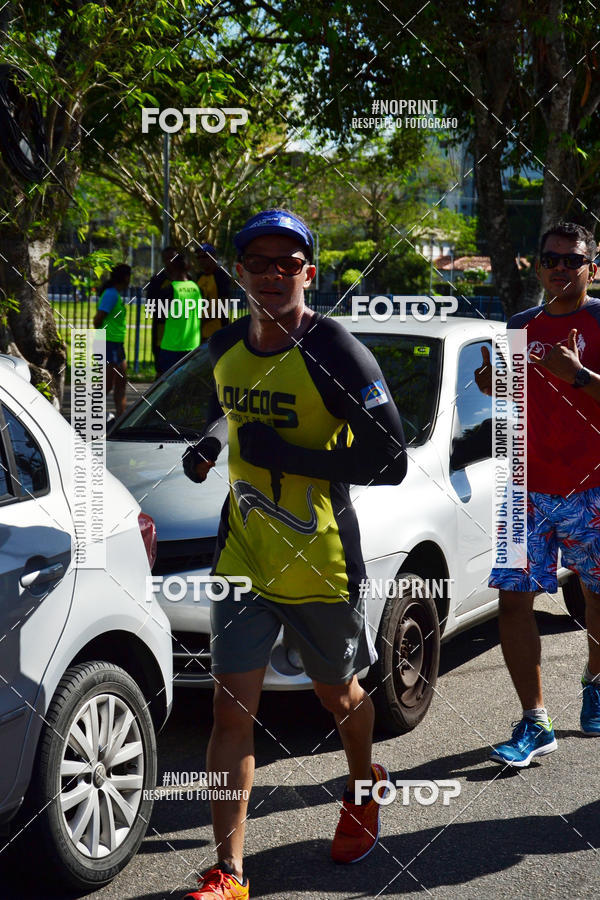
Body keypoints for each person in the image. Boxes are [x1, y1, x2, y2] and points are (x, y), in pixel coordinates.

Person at [180, 209, 407, 899]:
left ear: (309, 272)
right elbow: (236, 405)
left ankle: (364, 783)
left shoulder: (336, 350)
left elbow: (391, 456)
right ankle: (230, 871)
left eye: (289, 263)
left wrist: (295, 457)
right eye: (259, 262)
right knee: (230, 713)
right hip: (243, 557)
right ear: (240, 273)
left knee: (338, 695)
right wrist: (211, 444)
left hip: (322, 560)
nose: (274, 274)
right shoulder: (223, 346)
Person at [475, 221, 600, 768]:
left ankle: (595, 682)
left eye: (572, 260)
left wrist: (579, 376)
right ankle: (535, 720)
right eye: (550, 257)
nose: (559, 267)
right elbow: (515, 397)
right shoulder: (521, 325)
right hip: (525, 487)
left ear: (591, 268)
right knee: (512, 601)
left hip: (593, 486)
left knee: (597, 594)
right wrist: (493, 386)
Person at [93, 263, 131, 417]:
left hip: (116, 344)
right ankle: (91, 417)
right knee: (107, 385)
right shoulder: (111, 294)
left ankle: (121, 419)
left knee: (121, 382)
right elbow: (98, 319)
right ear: (125, 277)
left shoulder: (116, 294)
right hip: (108, 343)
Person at [157, 252, 203, 375]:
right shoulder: (197, 288)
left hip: (171, 347)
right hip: (192, 346)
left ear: (171, 268)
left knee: (167, 388)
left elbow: (159, 317)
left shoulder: (168, 291)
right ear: (188, 267)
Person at [147, 245, 178, 376]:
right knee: (161, 370)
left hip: (180, 333)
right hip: (162, 331)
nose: (171, 261)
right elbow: (151, 305)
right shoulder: (157, 280)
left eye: (174, 258)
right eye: (167, 258)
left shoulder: (187, 279)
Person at [194, 242, 232, 339]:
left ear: (214, 257)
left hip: (217, 332)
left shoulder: (221, 276)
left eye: (205, 256)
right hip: (199, 333)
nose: (201, 260)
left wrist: (203, 320)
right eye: (199, 257)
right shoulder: (198, 277)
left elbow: (223, 305)